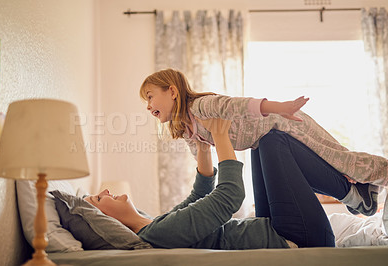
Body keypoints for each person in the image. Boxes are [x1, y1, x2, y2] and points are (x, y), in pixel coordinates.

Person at [139, 68, 384, 216]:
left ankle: (377, 176)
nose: (148, 106)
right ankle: (361, 195)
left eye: (150, 97)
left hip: (283, 121)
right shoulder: (188, 130)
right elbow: (205, 172)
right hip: (267, 140)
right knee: (315, 168)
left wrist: (281, 106)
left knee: (335, 157)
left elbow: (238, 104)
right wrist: (199, 144)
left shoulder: (201, 106)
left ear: (172, 91)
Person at [86, 118, 334, 249]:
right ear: (107, 221)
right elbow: (229, 196)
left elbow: (199, 195)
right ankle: (348, 191)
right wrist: (220, 135)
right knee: (273, 141)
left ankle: (350, 191)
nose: (105, 191)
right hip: (299, 238)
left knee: (262, 140)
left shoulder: (156, 225)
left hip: (277, 230)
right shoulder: (157, 234)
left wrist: (203, 147)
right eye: (99, 198)